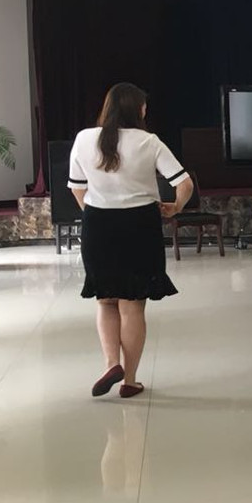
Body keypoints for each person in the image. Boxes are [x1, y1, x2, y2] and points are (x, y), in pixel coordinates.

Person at [68, 82, 193, 400]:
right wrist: (175, 207)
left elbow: (77, 187)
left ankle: (111, 364)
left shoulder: (84, 138)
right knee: (133, 305)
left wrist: (93, 213)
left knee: (105, 299)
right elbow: (184, 183)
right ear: (138, 110)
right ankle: (130, 380)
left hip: (98, 225)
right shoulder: (149, 142)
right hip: (140, 226)